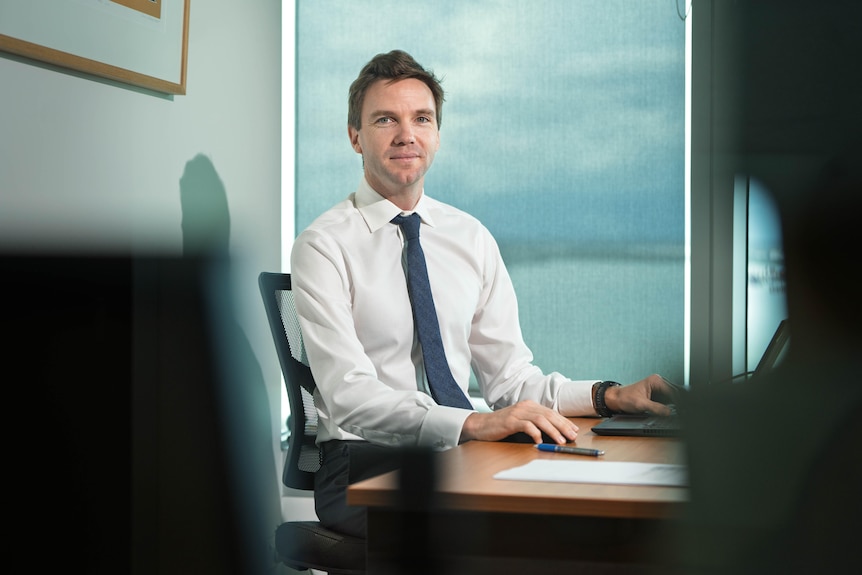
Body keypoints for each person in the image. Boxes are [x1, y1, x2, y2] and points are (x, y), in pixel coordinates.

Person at [290, 49, 679, 539]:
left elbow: (512, 382)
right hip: (361, 464)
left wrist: (609, 396)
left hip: (458, 455)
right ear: (355, 137)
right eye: (385, 119)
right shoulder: (322, 245)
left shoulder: (469, 237)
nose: (406, 134)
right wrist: (475, 425)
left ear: (437, 134)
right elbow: (350, 397)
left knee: (585, 518)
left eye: (422, 118)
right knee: (504, 533)